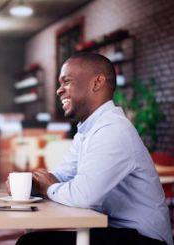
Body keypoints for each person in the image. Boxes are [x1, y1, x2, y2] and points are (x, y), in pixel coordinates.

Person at [13, 53, 173, 245]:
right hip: (116, 231)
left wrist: (49, 187)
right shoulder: (87, 131)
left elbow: (83, 196)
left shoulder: (113, 130)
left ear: (97, 83)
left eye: (66, 81)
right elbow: (62, 175)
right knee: (31, 240)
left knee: (32, 243)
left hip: (144, 240)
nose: (58, 90)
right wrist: (30, 185)